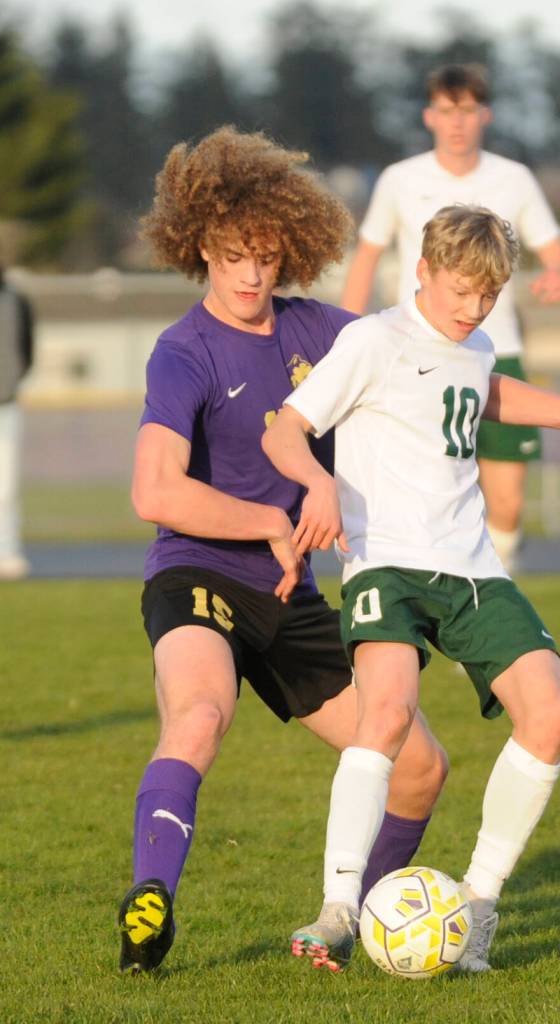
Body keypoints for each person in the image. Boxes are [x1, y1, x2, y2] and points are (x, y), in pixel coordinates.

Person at [263, 204, 560, 973]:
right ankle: (338, 905)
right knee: (389, 712)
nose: (472, 310)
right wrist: (317, 484)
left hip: (469, 566)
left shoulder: (477, 343)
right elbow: (284, 428)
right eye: (461, 291)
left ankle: (478, 904)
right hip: (386, 563)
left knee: (552, 712)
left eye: (488, 296)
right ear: (423, 270)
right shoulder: (372, 340)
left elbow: (479, 391)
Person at [118, 126, 448, 975]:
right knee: (198, 717)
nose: (251, 275)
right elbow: (155, 491)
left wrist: (554, 407)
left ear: (288, 250)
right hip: (200, 574)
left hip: (293, 597)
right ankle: (148, 908)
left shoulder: (323, 331)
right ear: (200, 248)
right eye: (234, 256)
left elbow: (428, 363)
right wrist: (265, 520)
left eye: (266, 256)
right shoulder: (182, 351)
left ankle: (355, 927)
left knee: (417, 766)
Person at [341, 63, 560, 574]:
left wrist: (558, 272)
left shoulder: (513, 178)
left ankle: (492, 598)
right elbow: (367, 256)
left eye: (467, 110)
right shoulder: (400, 179)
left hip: (497, 353)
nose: (457, 122)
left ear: (484, 114)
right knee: (428, 493)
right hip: (415, 354)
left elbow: (556, 251)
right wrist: (342, 332)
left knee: (506, 504)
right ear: (429, 115)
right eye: (447, 110)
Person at [0, 267, 34, 580]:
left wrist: (10, 380)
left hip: (6, 405)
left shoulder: (16, 300)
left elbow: (27, 349)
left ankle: (7, 551)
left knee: (6, 485)